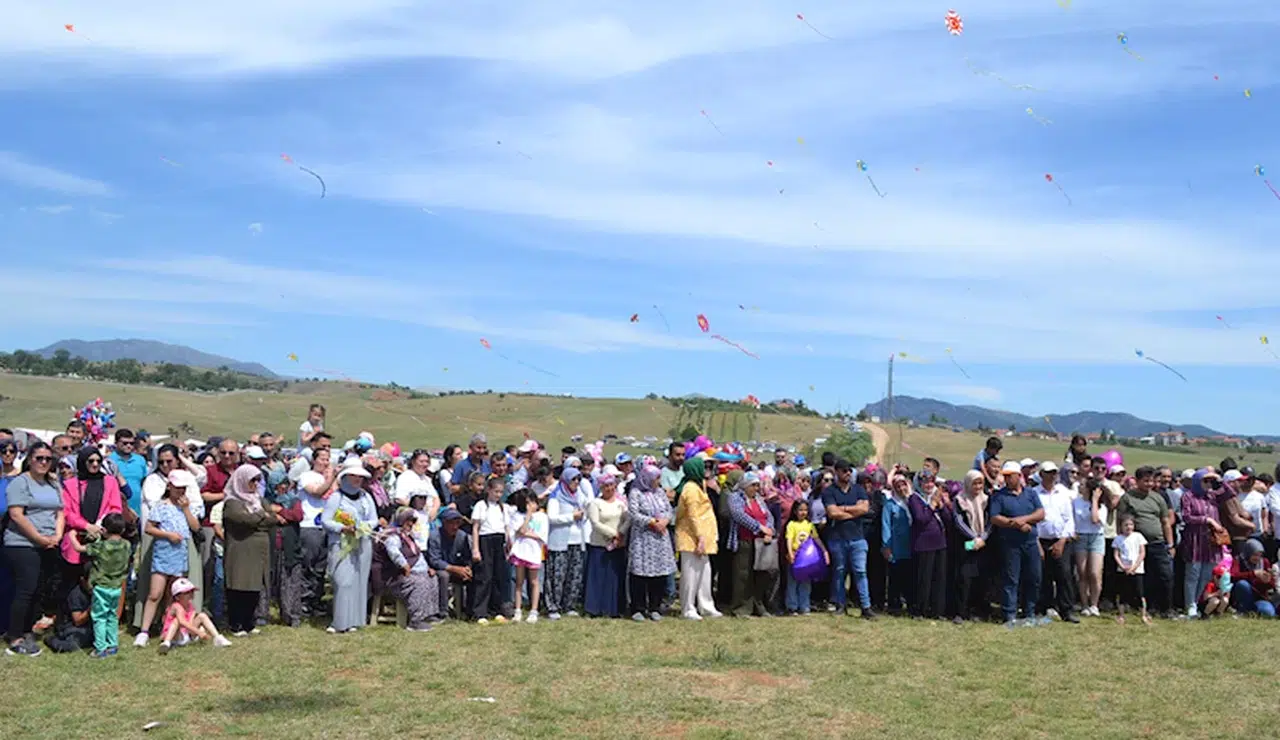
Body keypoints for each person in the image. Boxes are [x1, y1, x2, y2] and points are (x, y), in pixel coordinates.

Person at [4, 442, 66, 656]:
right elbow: (16, 515)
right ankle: (14, 636)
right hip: (22, 543)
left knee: (39, 590)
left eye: (48, 459)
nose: (43, 462)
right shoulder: (20, 483)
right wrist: (39, 538)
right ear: (29, 459)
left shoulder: (53, 484)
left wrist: (57, 536)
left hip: (48, 542)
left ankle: (28, 629)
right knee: (26, 589)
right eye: (39, 458)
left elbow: (60, 512)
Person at [134, 469, 202, 647]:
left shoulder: (185, 506)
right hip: (163, 554)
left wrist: (186, 509)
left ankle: (170, 630)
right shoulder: (161, 506)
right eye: (177, 487)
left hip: (180, 554)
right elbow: (150, 528)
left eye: (183, 488)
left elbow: (195, 526)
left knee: (174, 596)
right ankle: (144, 631)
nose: (180, 491)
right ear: (169, 486)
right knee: (155, 593)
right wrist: (168, 535)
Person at [60, 447, 125, 607]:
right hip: (76, 538)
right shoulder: (70, 484)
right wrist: (85, 525)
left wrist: (100, 525)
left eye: (98, 461)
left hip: (101, 537)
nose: (95, 464)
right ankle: (69, 620)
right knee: (72, 583)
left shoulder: (110, 482)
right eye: (91, 461)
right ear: (82, 462)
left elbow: (115, 507)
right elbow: (66, 512)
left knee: (97, 582)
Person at [988, 460, 1045, 627]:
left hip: (1030, 542)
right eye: (1005, 477)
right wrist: (1015, 524)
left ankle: (1029, 611)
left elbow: (1040, 513)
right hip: (1010, 544)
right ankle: (1009, 613)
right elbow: (995, 518)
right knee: (1011, 579)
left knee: (1034, 577)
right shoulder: (999, 496)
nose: (1007, 480)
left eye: (1010, 476)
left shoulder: (1030, 493)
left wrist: (1023, 520)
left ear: (1019, 476)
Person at [322, 463, 377, 633]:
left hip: (362, 542)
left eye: (360, 477)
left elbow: (374, 519)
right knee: (343, 581)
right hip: (341, 543)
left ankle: (354, 620)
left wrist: (364, 527)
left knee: (358, 582)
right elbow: (326, 520)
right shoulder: (336, 497)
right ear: (345, 477)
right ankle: (339, 621)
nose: (357, 480)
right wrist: (342, 528)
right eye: (353, 476)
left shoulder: (366, 497)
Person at [224, 465, 278, 637]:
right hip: (240, 549)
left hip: (259, 550)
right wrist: (262, 516)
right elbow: (243, 520)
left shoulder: (259, 500)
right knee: (239, 585)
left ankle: (249, 622)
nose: (255, 483)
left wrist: (260, 517)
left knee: (254, 586)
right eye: (252, 480)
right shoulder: (232, 502)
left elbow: (273, 519)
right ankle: (236, 624)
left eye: (258, 480)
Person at [68, 512, 131, 657]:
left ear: (104, 529)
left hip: (101, 587)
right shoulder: (126, 545)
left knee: (99, 617)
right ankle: (112, 644)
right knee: (112, 616)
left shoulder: (101, 546)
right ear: (122, 530)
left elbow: (79, 549)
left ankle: (100, 648)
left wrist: (72, 536)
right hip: (117, 587)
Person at [1117, 467, 1175, 618]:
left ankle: (1166, 608)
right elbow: (1121, 521)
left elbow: (1165, 521)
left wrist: (1170, 544)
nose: (1149, 484)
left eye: (1151, 481)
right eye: (1146, 481)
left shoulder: (1157, 498)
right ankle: (1144, 607)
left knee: (1165, 575)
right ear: (1136, 481)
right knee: (1142, 578)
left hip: (1158, 542)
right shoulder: (1128, 498)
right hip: (1136, 544)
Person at [822, 459, 875, 618]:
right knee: (839, 572)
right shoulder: (829, 491)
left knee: (861, 572)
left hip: (858, 538)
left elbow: (864, 509)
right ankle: (840, 604)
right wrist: (854, 511)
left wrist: (843, 509)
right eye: (844, 471)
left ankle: (866, 607)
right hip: (837, 538)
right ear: (837, 472)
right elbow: (832, 513)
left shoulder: (858, 489)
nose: (848, 473)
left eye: (849, 471)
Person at [626, 465, 676, 621]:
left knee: (659, 573)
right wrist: (651, 522)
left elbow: (669, 509)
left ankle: (655, 606)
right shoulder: (636, 493)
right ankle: (638, 608)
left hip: (660, 538)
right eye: (656, 478)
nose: (658, 481)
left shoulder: (660, 492)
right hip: (643, 538)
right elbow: (633, 513)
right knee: (641, 574)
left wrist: (665, 521)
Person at [674, 458, 722, 620]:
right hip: (691, 537)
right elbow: (693, 515)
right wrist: (700, 538)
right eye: (703, 467)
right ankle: (688, 608)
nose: (705, 470)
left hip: (704, 537)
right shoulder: (690, 489)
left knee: (704, 573)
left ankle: (706, 605)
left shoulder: (699, 486)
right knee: (690, 575)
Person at [380, 508, 440, 631]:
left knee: (432, 578)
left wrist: (427, 568)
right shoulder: (392, 536)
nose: (411, 524)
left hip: (413, 573)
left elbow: (418, 555)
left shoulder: (408, 537)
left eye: (413, 521)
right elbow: (394, 552)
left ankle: (428, 615)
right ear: (402, 520)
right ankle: (416, 621)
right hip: (395, 578)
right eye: (409, 521)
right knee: (419, 583)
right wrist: (404, 565)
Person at [727, 472, 777, 618]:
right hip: (744, 541)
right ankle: (741, 608)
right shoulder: (735, 498)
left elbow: (769, 516)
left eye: (757, 485)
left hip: (762, 542)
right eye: (753, 485)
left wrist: (769, 530)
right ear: (745, 485)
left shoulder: (759, 500)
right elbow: (739, 515)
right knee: (743, 575)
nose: (756, 488)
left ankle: (758, 606)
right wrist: (759, 527)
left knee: (761, 574)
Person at [1180, 469, 1227, 619]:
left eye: (1209, 481)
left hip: (1211, 542)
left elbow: (1230, 492)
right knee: (1193, 574)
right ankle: (1190, 605)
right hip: (1195, 540)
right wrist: (1207, 519)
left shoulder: (1212, 496)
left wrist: (1218, 479)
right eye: (1205, 480)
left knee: (1206, 574)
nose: (1208, 484)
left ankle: (1196, 601)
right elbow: (1186, 517)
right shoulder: (1188, 496)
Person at [296, 447, 337, 618]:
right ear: (314, 460)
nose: (325, 463)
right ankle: (303, 602)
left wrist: (331, 479)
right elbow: (317, 492)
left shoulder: (327, 478)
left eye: (328, 459)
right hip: (309, 525)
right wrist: (330, 478)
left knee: (321, 568)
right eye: (322, 459)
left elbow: (334, 495)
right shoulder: (306, 476)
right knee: (308, 565)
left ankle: (316, 601)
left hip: (325, 526)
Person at [1035, 462, 1078, 623]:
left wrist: (1062, 540)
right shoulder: (1034, 493)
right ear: (1041, 475)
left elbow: (1069, 519)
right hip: (1041, 540)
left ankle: (1066, 610)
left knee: (1064, 575)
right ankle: (1043, 607)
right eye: (1049, 473)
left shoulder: (1063, 494)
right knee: (1042, 575)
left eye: (1054, 472)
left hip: (1061, 539)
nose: (1052, 475)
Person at [545, 468, 589, 620]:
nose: (576, 482)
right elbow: (552, 518)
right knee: (557, 575)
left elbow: (586, 509)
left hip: (577, 540)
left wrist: (583, 514)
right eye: (573, 479)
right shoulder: (556, 497)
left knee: (574, 574)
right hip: (560, 541)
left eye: (578, 479)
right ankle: (553, 606)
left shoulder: (579, 495)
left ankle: (569, 604)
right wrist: (572, 516)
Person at [584, 475, 630, 618]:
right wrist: (613, 534)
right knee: (598, 578)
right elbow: (595, 523)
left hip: (618, 545)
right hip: (600, 545)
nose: (609, 489)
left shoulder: (621, 503)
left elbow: (627, 518)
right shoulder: (595, 503)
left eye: (611, 486)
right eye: (606, 486)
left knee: (615, 578)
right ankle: (595, 608)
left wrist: (620, 533)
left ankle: (615, 608)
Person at [469, 476, 512, 624]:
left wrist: (508, 542)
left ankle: (496, 609)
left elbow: (506, 527)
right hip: (485, 540)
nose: (498, 495)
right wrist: (475, 548)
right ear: (489, 490)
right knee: (484, 577)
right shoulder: (481, 505)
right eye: (496, 492)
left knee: (498, 576)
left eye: (501, 492)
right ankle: (480, 612)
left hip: (499, 540)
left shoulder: (503, 507)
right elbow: (475, 528)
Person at [907, 470, 949, 620]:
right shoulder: (914, 498)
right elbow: (921, 518)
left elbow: (947, 519)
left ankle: (937, 610)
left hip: (940, 543)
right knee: (923, 579)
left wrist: (942, 505)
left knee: (939, 578)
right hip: (923, 544)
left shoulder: (936, 497)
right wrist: (932, 505)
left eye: (931, 481)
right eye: (925, 482)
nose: (929, 485)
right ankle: (920, 610)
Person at [951, 470, 990, 622]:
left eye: (980, 483)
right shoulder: (960, 499)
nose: (978, 486)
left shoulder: (987, 499)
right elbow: (958, 522)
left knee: (981, 577)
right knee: (964, 577)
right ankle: (961, 612)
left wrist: (983, 537)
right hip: (965, 543)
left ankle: (979, 611)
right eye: (975, 483)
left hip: (984, 543)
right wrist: (974, 538)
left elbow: (990, 521)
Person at [157, 577, 231, 654]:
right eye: (186, 593)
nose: (191, 594)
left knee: (202, 615)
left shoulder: (191, 606)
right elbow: (182, 622)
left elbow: (190, 623)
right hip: (173, 636)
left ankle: (217, 637)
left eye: (192, 591)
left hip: (185, 635)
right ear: (177, 597)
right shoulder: (176, 606)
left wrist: (196, 632)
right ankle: (166, 643)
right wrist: (199, 632)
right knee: (177, 621)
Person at [506, 490, 547, 624]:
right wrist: (528, 517)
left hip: (534, 552)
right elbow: (519, 531)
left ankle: (534, 610)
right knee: (519, 581)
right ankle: (517, 609)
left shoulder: (542, 517)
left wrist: (526, 534)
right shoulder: (518, 516)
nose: (531, 505)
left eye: (533, 502)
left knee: (534, 581)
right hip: (520, 551)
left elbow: (541, 535)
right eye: (528, 503)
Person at [1071, 464, 1107, 617]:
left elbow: (1094, 519)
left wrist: (1094, 500)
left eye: (1083, 485)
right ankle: (1084, 604)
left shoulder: (1102, 506)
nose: (1080, 486)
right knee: (1082, 572)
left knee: (1095, 572)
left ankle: (1094, 604)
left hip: (1096, 537)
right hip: (1080, 536)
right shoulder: (1075, 502)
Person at [426, 509, 472, 619]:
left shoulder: (462, 536)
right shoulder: (434, 536)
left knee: (473, 574)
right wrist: (453, 568)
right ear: (444, 523)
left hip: (458, 567)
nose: (455, 526)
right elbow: (434, 560)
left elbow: (467, 557)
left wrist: (468, 568)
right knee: (444, 576)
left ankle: (469, 609)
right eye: (451, 523)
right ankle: (443, 611)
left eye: (457, 523)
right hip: (439, 569)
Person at [785, 499, 827, 615]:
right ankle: (792, 606)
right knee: (792, 583)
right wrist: (790, 553)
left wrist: (824, 551)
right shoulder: (791, 525)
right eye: (800, 510)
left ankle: (804, 606)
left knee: (805, 583)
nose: (803, 513)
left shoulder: (809, 525)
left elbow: (816, 538)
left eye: (805, 510)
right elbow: (789, 539)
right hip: (795, 557)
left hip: (807, 561)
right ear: (794, 511)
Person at [881, 473, 913, 615]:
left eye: (903, 485)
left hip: (910, 544)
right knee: (895, 575)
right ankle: (894, 605)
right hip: (896, 544)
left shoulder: (912, 501)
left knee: (908, 574)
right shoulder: (890, 504)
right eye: (898, 486)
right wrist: (886, 546)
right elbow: (886, 525)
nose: (901, 488)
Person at [1112, 515, 1150, 625]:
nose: (1128, 527)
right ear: (1121, 526)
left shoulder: (1138, 536)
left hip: (1137, 570)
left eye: (1131, 524)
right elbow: (1116, 555)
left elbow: (1142, 553)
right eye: (1126, 525)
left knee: (1140, 594)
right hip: (1122, 570)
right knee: (1122, 594)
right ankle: (1121, 615)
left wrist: (1134, 567)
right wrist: (1123, 567)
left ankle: (1143, 615)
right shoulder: (1118, 539)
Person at [1229, 538, 1277, 618]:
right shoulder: (1239, 560)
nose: (1257, 558)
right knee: (1242, 584)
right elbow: (1234, 576)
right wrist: (1253, 574)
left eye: (1259, 555)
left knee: (1268, 613)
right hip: (1244, 595)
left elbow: (1270, 585)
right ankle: (1243, 610)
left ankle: (1252, 611)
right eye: (1254, 555)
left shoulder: (1264, 562)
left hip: (1259, 597)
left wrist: (1268, 581)